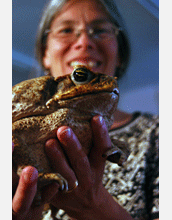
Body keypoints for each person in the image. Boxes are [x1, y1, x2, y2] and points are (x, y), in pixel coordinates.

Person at [12, 0, 159, 219]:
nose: (85, 41)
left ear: (119, 52)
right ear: (45, 53)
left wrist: (96, 207)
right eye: (66, 30)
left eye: (100, 30)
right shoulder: (29, 118)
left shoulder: (158, 133)